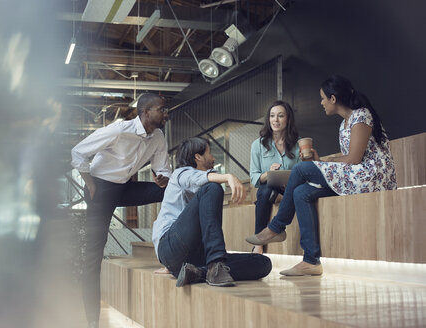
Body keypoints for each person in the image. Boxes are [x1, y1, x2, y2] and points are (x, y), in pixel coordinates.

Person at [246, 75, 397, 276]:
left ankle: (276, 227)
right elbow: (349, 160)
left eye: (323, 98)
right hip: (354, 177)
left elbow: (353, 159)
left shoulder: (361, 116)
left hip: (371, 177)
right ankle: (311, 261)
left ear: (333, 99)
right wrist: (321, 161)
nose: (321, 103)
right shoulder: (344, 124)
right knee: (300, 192)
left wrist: (322, 163)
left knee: (300, 169)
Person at [71, 93, 171, 328]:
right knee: (94, 255)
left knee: (172, 191)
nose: (166, 113)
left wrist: (164, 179)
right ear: (146, 112)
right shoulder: (118, 130)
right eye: (162, 109)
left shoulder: (158, 137)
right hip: (101, 190)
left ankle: (173, 248)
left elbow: (162, 169)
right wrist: (90, 183)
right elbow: (77, 152)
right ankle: (92, 320)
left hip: (124, 188)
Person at [152, 137, 272, 288]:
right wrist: (229, 176)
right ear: (198, 156)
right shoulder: (180, 173)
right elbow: (196, 179)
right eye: (210, 153)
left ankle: (199, 272)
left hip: (191, 258)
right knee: (212, 187)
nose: (214, 158)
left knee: (262, 263)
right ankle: (215, 263)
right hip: (170, 246)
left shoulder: (206, 181)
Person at [250, 100, 300, 254]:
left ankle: (270, 233)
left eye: (280, 116)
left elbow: (301, 172)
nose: (275, 120)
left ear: (288, 119)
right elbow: (254, 178)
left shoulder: (297, 145)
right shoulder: (257, 145)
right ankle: (259, 242)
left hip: (289, 190)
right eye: (272, 116)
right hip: (269, 190)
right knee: (265, 190)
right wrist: (269, 174)